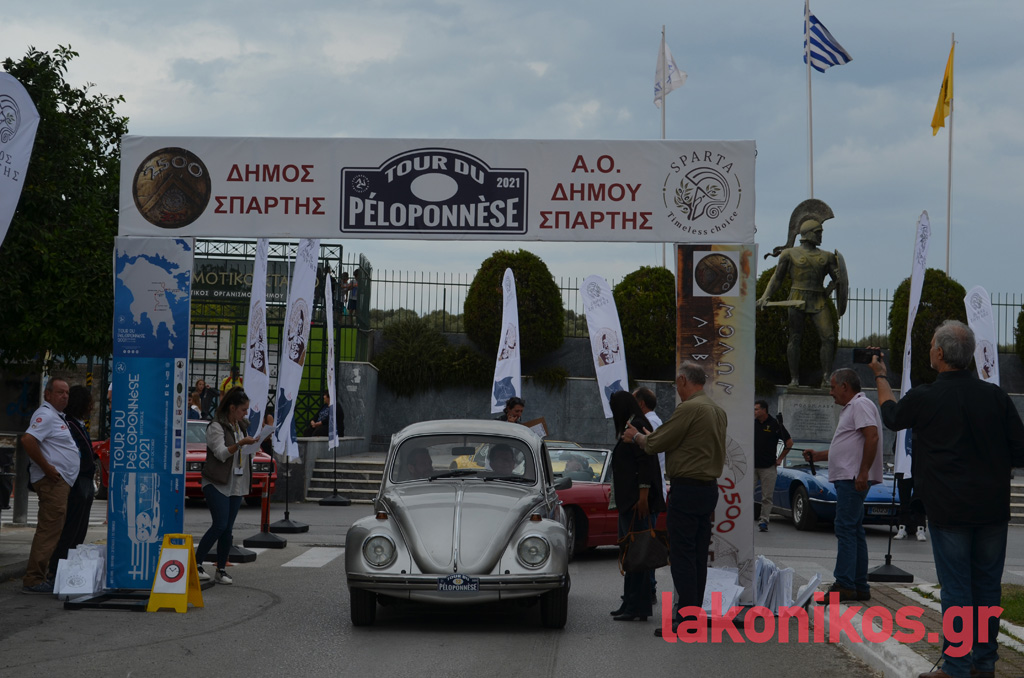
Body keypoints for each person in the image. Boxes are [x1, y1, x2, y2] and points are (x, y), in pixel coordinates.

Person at [870, 321, 1024, 678]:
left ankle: (956, 666)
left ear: (940, 353)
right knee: (987, 588)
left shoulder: (926, 397)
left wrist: (880, 376)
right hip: (991, 509)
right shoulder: (996, 397)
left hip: (948, 508)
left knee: (956, 589)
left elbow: (892, 416)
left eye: (930, 346)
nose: (929, 350)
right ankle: (984, 664)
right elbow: (1019, 450)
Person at [623, 362, 727, 637]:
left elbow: (656, 444)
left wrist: (636, 437)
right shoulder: (716, 409)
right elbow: (679, 441)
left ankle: (686, 618)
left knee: (681, 555)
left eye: (675, 384)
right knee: (697, 555)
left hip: (687, 488)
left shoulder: (690, 408)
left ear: (682, 380)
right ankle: (694, 615)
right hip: (708, 488)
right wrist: (653, 438)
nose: (676, 389)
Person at [802, 368, 882, 602]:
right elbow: (849, 446)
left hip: (852, 478)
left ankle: (845, 584)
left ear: (845, 386)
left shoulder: (860, 404)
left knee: (845, 528)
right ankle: (858, 585)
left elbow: (872, 436)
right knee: (853, 529)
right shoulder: (854, 407)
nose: (831, 392)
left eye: (833, 387)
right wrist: (818, 455)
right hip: (850, 477)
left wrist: (863, 472)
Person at [756, 218, 846, 387]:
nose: (820, 236)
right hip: (796, 297)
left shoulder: (827, 256)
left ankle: (826, 378)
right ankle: (794, 379)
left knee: (829, 337)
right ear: (808, 233)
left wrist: (837, 280)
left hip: (819, 299)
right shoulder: (789, 254)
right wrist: (765, 296)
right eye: (818, 233)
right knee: (795, 338)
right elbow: (777, 278)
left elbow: (839, 279)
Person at [608, 390, 664, 622]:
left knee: (638, 554)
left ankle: (637, 606)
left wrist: (643, 497)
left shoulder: (637, 426)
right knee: (630, 553)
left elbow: (645, 463)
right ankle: (629, 602)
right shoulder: (631, 424)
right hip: (629, 502)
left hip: (637, 504)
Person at [21, 378, 80, 594]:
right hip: (52, 481)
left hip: (59, 481)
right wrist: (47, 468)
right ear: (48, 394)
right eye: (59, 392)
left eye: (67, 393)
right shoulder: (45, 415)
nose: (65, 396)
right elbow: (28, 440)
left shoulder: (56, 416)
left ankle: (40, 575)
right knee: (49, 530)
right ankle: (34, 579)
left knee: (53, 529)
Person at [195, 387, 258, 585]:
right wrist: (239, 444)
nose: (245, 413)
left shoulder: (240, 426)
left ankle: (221, 569)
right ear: (232, 408)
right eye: (243, 409)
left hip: (236, 483)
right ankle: (196, 564)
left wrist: (253, 444)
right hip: (216, 482)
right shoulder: (216, 426)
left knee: (228, 529)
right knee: (220, 524)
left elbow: (245, 454)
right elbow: (221, 453)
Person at [48, 385, 98, 578]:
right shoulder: (69, 423)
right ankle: (57, 568)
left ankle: (67, 567)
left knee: (79, 527)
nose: (92, 407)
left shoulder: (77, 423)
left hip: (84, 480)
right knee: (72, 527)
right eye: (89, 403)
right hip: (77, 480)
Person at [753, 400, 793, 532]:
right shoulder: (752, 423)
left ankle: (764, 521)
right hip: (752, 466)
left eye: (757, 409)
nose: (754, 412)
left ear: (764, 410)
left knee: (767, 496)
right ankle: (744, 520)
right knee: (746, 495)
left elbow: (789, 442)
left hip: (768, 467)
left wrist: (780, 458)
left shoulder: (775, 424)